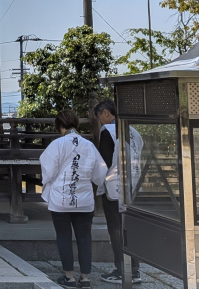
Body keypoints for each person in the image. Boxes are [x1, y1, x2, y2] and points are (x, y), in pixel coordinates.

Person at [40, 109, 107, 289]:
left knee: (63, 236)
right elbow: (100, 174)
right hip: (84, 199)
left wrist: (51, 183)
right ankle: (85, 278)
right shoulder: (89, 145)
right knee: (85, 237)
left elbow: (47, 171)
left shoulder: (57, 144)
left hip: (60, 199)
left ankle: (69, 277)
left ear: (60, 125)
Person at [94, 98, 143, 285]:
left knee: (115, 228)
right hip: (134, 184)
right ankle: (135, 268)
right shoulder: (133, 131)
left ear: (106, 113)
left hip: (114, 186)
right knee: (130, 227)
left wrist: (96, 182)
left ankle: (121, 269)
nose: (100, 121)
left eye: (100, 117)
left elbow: (103, 162)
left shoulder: (108, 131)